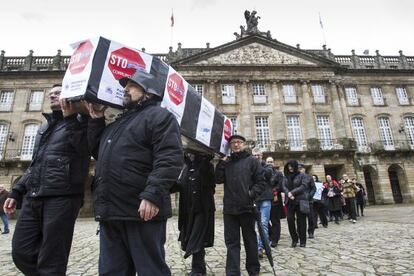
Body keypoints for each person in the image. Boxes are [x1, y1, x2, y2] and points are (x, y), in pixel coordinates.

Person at [86, 70, 183, 276]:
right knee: (112, 271)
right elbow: (101, 153)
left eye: (131, 86)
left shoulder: (160, 116)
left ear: (147, 93)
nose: (125, 89)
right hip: (111, 210)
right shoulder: (118, 123)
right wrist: (96, 120)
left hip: (141, 209)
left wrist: (152, 195)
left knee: (150, 270)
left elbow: (169, 158)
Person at [3, 84, 90, 275]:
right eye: (50, 94)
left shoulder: (83, 120)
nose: (52, 97)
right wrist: (17, 191)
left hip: (62, 197)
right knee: (21, 252)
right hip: (34, 196)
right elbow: (36, 163)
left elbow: (86, 150)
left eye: (57, 93)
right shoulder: (45, 127)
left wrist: (70, 120)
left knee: (52, 257)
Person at [215, 134, 265, 276]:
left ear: (243, 144)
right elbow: (218, 179)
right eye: (233, 143)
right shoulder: (227, 162)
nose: (236, 145)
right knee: (232, 243)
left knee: (250, 241)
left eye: (239, 142)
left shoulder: (252, 161)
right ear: (229, 146)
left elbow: (261, 182)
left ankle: (253, 270)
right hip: (230, 209)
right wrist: (222, 162)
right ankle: (232, 272)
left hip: (247, 208)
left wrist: (250, 194)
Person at [177, 152, 215, 276]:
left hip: (203, 210)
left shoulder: (206, 166)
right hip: (188, 210)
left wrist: (206, 157)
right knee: (194, 239)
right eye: (188, 152)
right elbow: (180, 185)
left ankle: (197, 269)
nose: (190, 155)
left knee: (197, 238)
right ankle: (199, 269)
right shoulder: (185, 167)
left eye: (192, 152)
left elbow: (211, 182)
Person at [284, 160, 312, 248]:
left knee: (301, 221)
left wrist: (292, 193)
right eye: (289, 166)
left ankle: (303, 240)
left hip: (300, 201)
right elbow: (283, 186)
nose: (290, 168)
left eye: (292, 166)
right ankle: (294, 239)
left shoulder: (303, 175)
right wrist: (288, 193)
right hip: (290, 201)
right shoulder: (285, 177)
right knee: (290, 220)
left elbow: (304, 186)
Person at [251, 148, 273, 258]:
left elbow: (268, 175)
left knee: (263, 224)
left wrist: (256, 166)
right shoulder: (249, 167)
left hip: (265, 199)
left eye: (258, 155)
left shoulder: (267, 166)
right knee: (253, 226)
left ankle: (261, 247)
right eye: (254, 155)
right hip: (254, 199)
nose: (256, 157)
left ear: (261, 155)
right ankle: (254, 247)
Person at [267, 157, 287, 248]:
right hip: (265, 199)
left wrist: (273, 191)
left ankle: (275, 239)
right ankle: (271, 235)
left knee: (275, 220)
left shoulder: (278, 173)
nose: (270, 163)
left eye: (271, 161)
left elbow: (280, 185)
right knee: (265, 220)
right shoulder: (263, 172)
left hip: (275, 199)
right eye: (268, 162)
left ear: (273, 163)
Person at [298, 164, 316, 239]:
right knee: (300, 218)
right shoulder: (296, 178)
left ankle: (311, 231)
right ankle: (300, 232)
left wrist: (310, 195)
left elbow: (313, 188)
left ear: (304, 169)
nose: (300, 170)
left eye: (301, 168)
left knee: (310, 218)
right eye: (299, 169)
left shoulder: (309, 177)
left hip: (308, 200)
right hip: (299, 200)